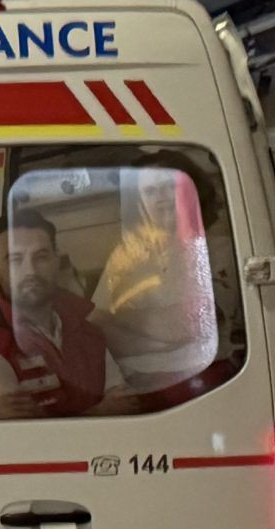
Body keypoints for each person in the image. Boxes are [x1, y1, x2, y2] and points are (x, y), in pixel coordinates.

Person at [0, 208, 129, 419]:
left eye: (41, 257)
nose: (30, 271)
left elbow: (125, 404)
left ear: (55, 261)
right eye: (15, 260)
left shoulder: (88, 332)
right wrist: (99, 412)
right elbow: (21, 434)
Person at [89, 167, 222, 395]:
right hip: (137, 386)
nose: (160, 197)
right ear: (141, 204)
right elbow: (96, 324)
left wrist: (120, 319)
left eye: (168, 187)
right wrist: (161, 342)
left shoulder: (219, 249)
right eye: (150, 191)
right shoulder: (125, 255)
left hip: (207, 381)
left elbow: (192, 323)